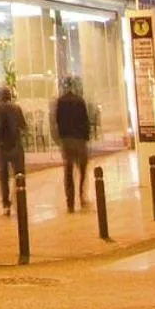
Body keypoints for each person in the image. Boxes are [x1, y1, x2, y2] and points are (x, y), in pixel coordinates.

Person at [52, 76, 92, 212]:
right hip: (80, 140)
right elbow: (86, 121)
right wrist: (86, 137)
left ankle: (70, 201)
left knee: (68, 171)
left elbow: (57, 121)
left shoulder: (60, 102)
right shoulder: (80, 101)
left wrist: (59, 138)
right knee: (82, 170)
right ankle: (81, 195)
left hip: (67, 140)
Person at [0, 85, 28, 217]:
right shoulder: (16, 108)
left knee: (3, 177)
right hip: (16, 145)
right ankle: (18, 199)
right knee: (19, 174)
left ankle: (6, 205)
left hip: (2, 147)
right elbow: (24, 126)